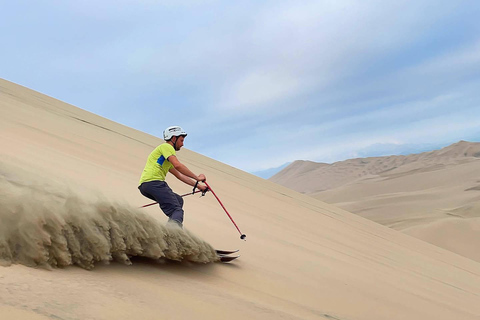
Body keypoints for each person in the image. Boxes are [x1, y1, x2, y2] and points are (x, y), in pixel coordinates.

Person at [138, 126, 207, 227]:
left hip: (146, 186)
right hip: (155, 183)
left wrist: (198, 186)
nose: (183, 144)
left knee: (178, 200)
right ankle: (172, 233)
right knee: (176, 210)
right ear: (174, 138)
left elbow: (179, 175)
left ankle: (170, 228)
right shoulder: (167, 147)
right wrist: (197, 177)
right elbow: (178, 166)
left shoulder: (165, 157)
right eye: (181, 140)